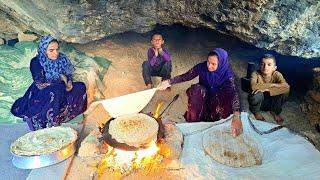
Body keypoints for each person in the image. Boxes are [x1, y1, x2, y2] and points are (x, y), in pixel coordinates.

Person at [158, 48, 243, 136]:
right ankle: (195, 121)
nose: (209, 66)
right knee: (197, 90)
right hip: (203, 97)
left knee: (226, 98)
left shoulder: (228, 75)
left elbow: (233, 94)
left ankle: (215, 122)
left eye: (213, 64)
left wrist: (236, 115)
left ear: (221, 63)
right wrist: (168, 82)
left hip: (217, 101)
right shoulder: (201, 67)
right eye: (208, 62)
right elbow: (186, 76)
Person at [11, 35, 87, 131]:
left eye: (57, 49)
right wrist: (60, 78)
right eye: (51, 50)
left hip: (62, 87)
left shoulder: (62, 59)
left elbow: (68, 75)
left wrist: (69, 83)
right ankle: (52, 120)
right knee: (56, 90)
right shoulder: (36, 62)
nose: (55, 53)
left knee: (81, 86)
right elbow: (40, 84)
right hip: (43, 90)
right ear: (43, 50)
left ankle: (64, 113)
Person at [248, 54, 290, 124]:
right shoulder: (255, 73)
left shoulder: (277, 74)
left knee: (285, 92)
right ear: (259, 66)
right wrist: (274, 85)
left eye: (269, 64)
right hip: (260, 102)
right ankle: (256, 112)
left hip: (272, 101)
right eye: (262, 64)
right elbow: (253, 86)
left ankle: (274, 111)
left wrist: (268, 90)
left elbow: (286, 88)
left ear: (274, 67)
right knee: (256, 93)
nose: (265, 67)